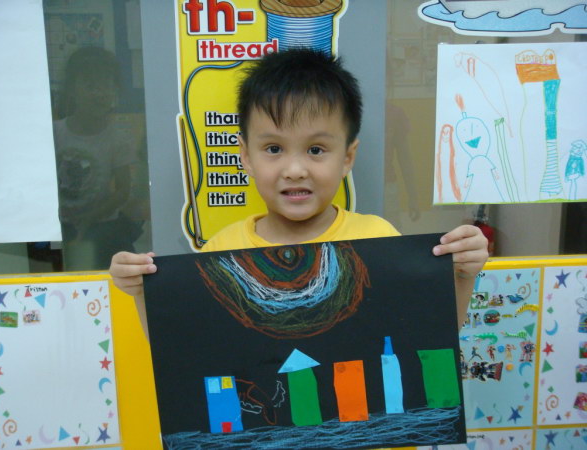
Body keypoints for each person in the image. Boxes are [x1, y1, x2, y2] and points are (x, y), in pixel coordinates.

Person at [110, 48, 488, 339]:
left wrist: (461, 276)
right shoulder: (221, 252)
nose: (294, 169)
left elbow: (427, 338)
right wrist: (143, 292)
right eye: (274, 148)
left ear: (347, 157)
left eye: (316, 149)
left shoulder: (378, 239)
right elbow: (187, 349)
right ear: (246, 156)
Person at [54, 46, 143, 270]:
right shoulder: (55, 132)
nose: (99, 93)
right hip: (61, 226)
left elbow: (123, 191)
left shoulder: (117, 138)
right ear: (72, 90)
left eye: (106, 85)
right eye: (90, 85)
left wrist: (90, 217)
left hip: (102, 226)